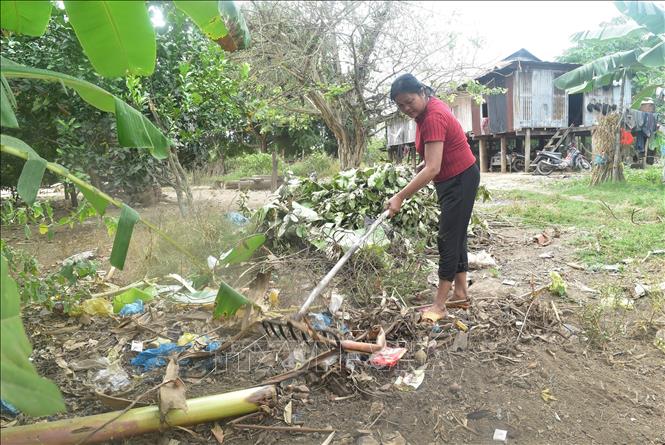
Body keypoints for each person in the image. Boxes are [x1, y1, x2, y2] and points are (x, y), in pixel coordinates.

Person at [385, 73, 480, 320]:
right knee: (456, 234)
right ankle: (460, 293)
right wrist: (427, 162)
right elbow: (436, 154)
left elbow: (433, 168)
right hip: (454, 177)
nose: (406, 108)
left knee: (448, 239)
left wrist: (400, 196)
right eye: (400, 105)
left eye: (409, 101)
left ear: (421, 93)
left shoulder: (433, 116)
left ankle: (439, 304)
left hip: (459, 179)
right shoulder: (425, 111)